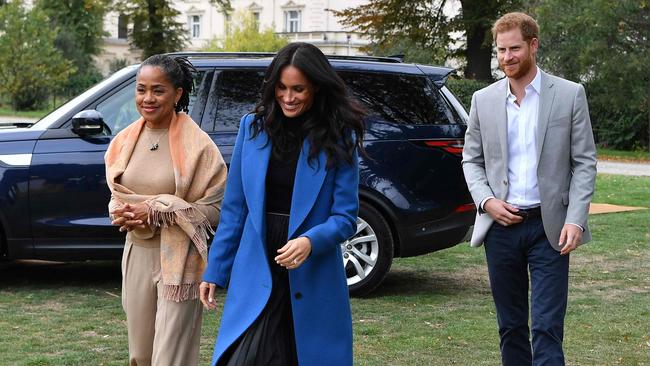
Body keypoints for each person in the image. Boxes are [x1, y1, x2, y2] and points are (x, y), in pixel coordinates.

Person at [199, 42, 365, 366]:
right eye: (282, 88)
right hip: (257, 261)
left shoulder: (339, 135)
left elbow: (345, 217)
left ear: (316, 87)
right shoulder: (253, 127)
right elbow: (235, 208)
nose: (288, 97)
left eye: (298, 89)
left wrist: (310, 241)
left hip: (310, 270)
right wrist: (215, 270)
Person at [462, 12, 597, 365]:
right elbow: (470, 161)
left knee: (547, 328)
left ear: (533, 45)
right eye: (501, 50)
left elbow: (584, 163)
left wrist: (576, 220)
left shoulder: (569, 95)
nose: (507, 57)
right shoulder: (483, 100)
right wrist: (487, 201)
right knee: (510, 327)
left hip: (550, 229)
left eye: (515, 48)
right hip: (501, 228)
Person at [105, 54, 227, 366]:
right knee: (141, 355)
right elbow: (118, 193)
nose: (147, 98)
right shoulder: (124, 141)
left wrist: (159, 210)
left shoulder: (199, 146)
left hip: (179, 259)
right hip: (137, 253)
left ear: (177, 94)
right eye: (141, 89)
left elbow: (213, 210)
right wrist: (120, 212)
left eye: (158, 90)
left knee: (171, 357)